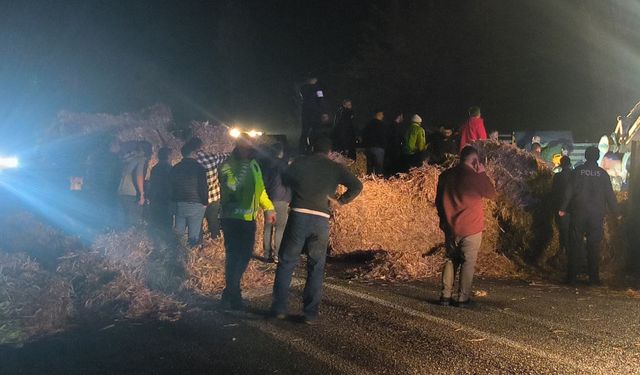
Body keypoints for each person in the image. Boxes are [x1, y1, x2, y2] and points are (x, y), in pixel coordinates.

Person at [272, 136, 362, 323]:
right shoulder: (335, 167)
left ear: (311, 147)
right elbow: (357, 185)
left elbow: (285, 177)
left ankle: (279, 308)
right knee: (316, 266)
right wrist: (340, 201)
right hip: (321, 219)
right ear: (329, 152)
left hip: (299, 214)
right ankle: (310, 313)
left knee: (287, 262)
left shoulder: (300, 162)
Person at [219, 134, 276, 310]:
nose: (251, 150)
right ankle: (230, 294)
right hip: (238, 219)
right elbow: (231, 188)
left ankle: (233, 296)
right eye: (248, 148)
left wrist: (269, 207)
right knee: (240, 256)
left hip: (238, 219)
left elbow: (260, 191)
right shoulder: (233, 166)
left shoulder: (250, 165)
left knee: (235, 257)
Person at [436, 146, 496, 306]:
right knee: (467, 262)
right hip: (471, 228)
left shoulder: (445, 176)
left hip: (450, 227)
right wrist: (482, 173)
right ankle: (462, 298)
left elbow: (438, 202)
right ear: (475, 161)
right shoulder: (475, 177)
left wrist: (444, 221)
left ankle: (445, 296)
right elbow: (491, 193)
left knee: (450, 260)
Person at [559, 147, 619, 285]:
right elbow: (610, 195)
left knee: (575, 244)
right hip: (596, 214)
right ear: (597, 157)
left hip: (579, 212)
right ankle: (593, 278)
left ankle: (572, 277)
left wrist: (563, 208)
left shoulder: (577, 171)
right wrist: (617, 213)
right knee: (594, 245)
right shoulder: (603, 174)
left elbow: (569, 191)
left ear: (585, 156)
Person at [170, 139, 209, 247]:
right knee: (194, 231)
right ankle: (191, 252)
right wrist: (205, 202)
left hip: (179, 203)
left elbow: (171, 186)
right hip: (195, 203)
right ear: (192, 153)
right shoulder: (199, 168)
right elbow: (203, 187)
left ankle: (177, 250)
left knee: (179, 230)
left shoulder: (176, 168)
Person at [259, 143, 291, 262]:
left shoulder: (265, 165)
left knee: (268, 227)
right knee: (280, 228)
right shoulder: (284, 165)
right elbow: (289, 182)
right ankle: (277, 255)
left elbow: (263, 183)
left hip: (269, 199)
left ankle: (267, 254)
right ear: (280, 152)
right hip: (282, 200)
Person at [195, 146, 229, 241]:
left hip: (199, 199)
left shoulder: (193, 163)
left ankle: (199, 243)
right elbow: (225, 156)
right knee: (213, 220)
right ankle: (216, 239)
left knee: (198, 222)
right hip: (214, 197)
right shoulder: (212, 158)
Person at [117, 141, 148, 228]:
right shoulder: (140, 160)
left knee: (124, 220)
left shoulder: (124, 159)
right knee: (134, 221)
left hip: (121, 190)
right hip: (132, 192)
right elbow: (139, 176)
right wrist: (142, 194)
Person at [551, 156, 572, 260]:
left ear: (561, 164)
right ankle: (566, 252)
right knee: (570, 231)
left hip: (561, 207)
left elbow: (554, 192)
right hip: (573, 208)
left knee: (563, 230)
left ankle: (566, 253)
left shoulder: (557, 176)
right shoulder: (574, 175)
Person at [148, 147, 173, 231]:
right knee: (167, 224)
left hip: (155, 199)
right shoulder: (169, 168)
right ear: (168, 156)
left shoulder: (154, 168)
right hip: (166, 200)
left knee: (157, 223)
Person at [299, 77, 326, 153]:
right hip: (315, 113)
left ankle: (302, 149)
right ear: (315, 80)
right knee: (316, 131)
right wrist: (323, 112)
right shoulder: (318, 88)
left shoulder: (303, 88)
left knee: (305, 131)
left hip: (305, 112)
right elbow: (321, 100)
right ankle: (313, 148)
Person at [362, 110, 387, 175]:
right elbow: (383, 137)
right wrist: (384, 146)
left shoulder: (368, 124)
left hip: (368, 148)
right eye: (382, 114)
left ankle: (370, 182)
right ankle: (378, 182)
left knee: (369, 168)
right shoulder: (381, 125)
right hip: (378, 148)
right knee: (378, 168)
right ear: (378, 114)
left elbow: (364, 135)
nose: (383, 116)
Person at [385, 111, 405, 176]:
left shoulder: (390, 125)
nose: (403, 118)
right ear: (399, 116)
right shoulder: (395, 126)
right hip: (394, 149)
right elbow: (395, 138)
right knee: (394, 165)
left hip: (390, 148)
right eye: (402, 116)